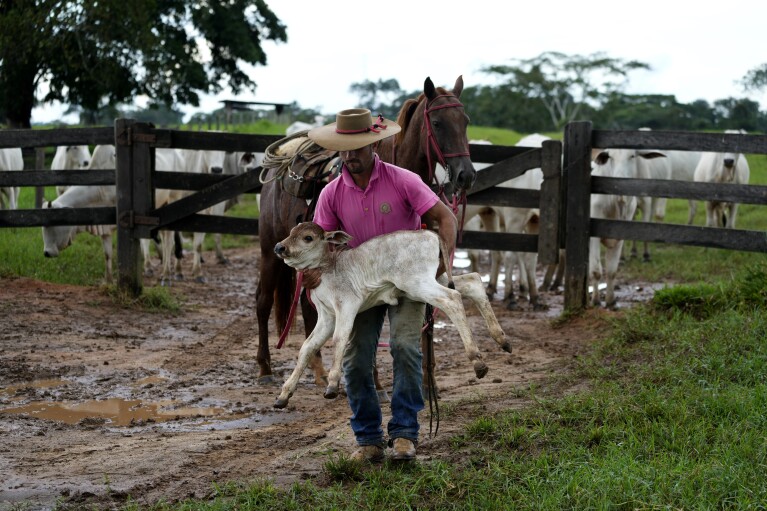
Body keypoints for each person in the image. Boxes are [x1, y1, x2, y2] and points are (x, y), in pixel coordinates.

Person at [307, 108, 457, 462]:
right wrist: (314, 271)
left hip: (405, 281)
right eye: (344, 150)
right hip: (360, 286)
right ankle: (369, 439)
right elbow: (321, 244)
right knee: (355, 359)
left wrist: (439, 264)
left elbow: (444, 217)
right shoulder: (331, 194)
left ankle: (405, 433)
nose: (349, 157)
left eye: (356, 150)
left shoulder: (403, 180)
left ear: (373, 146)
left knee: (405, 347)